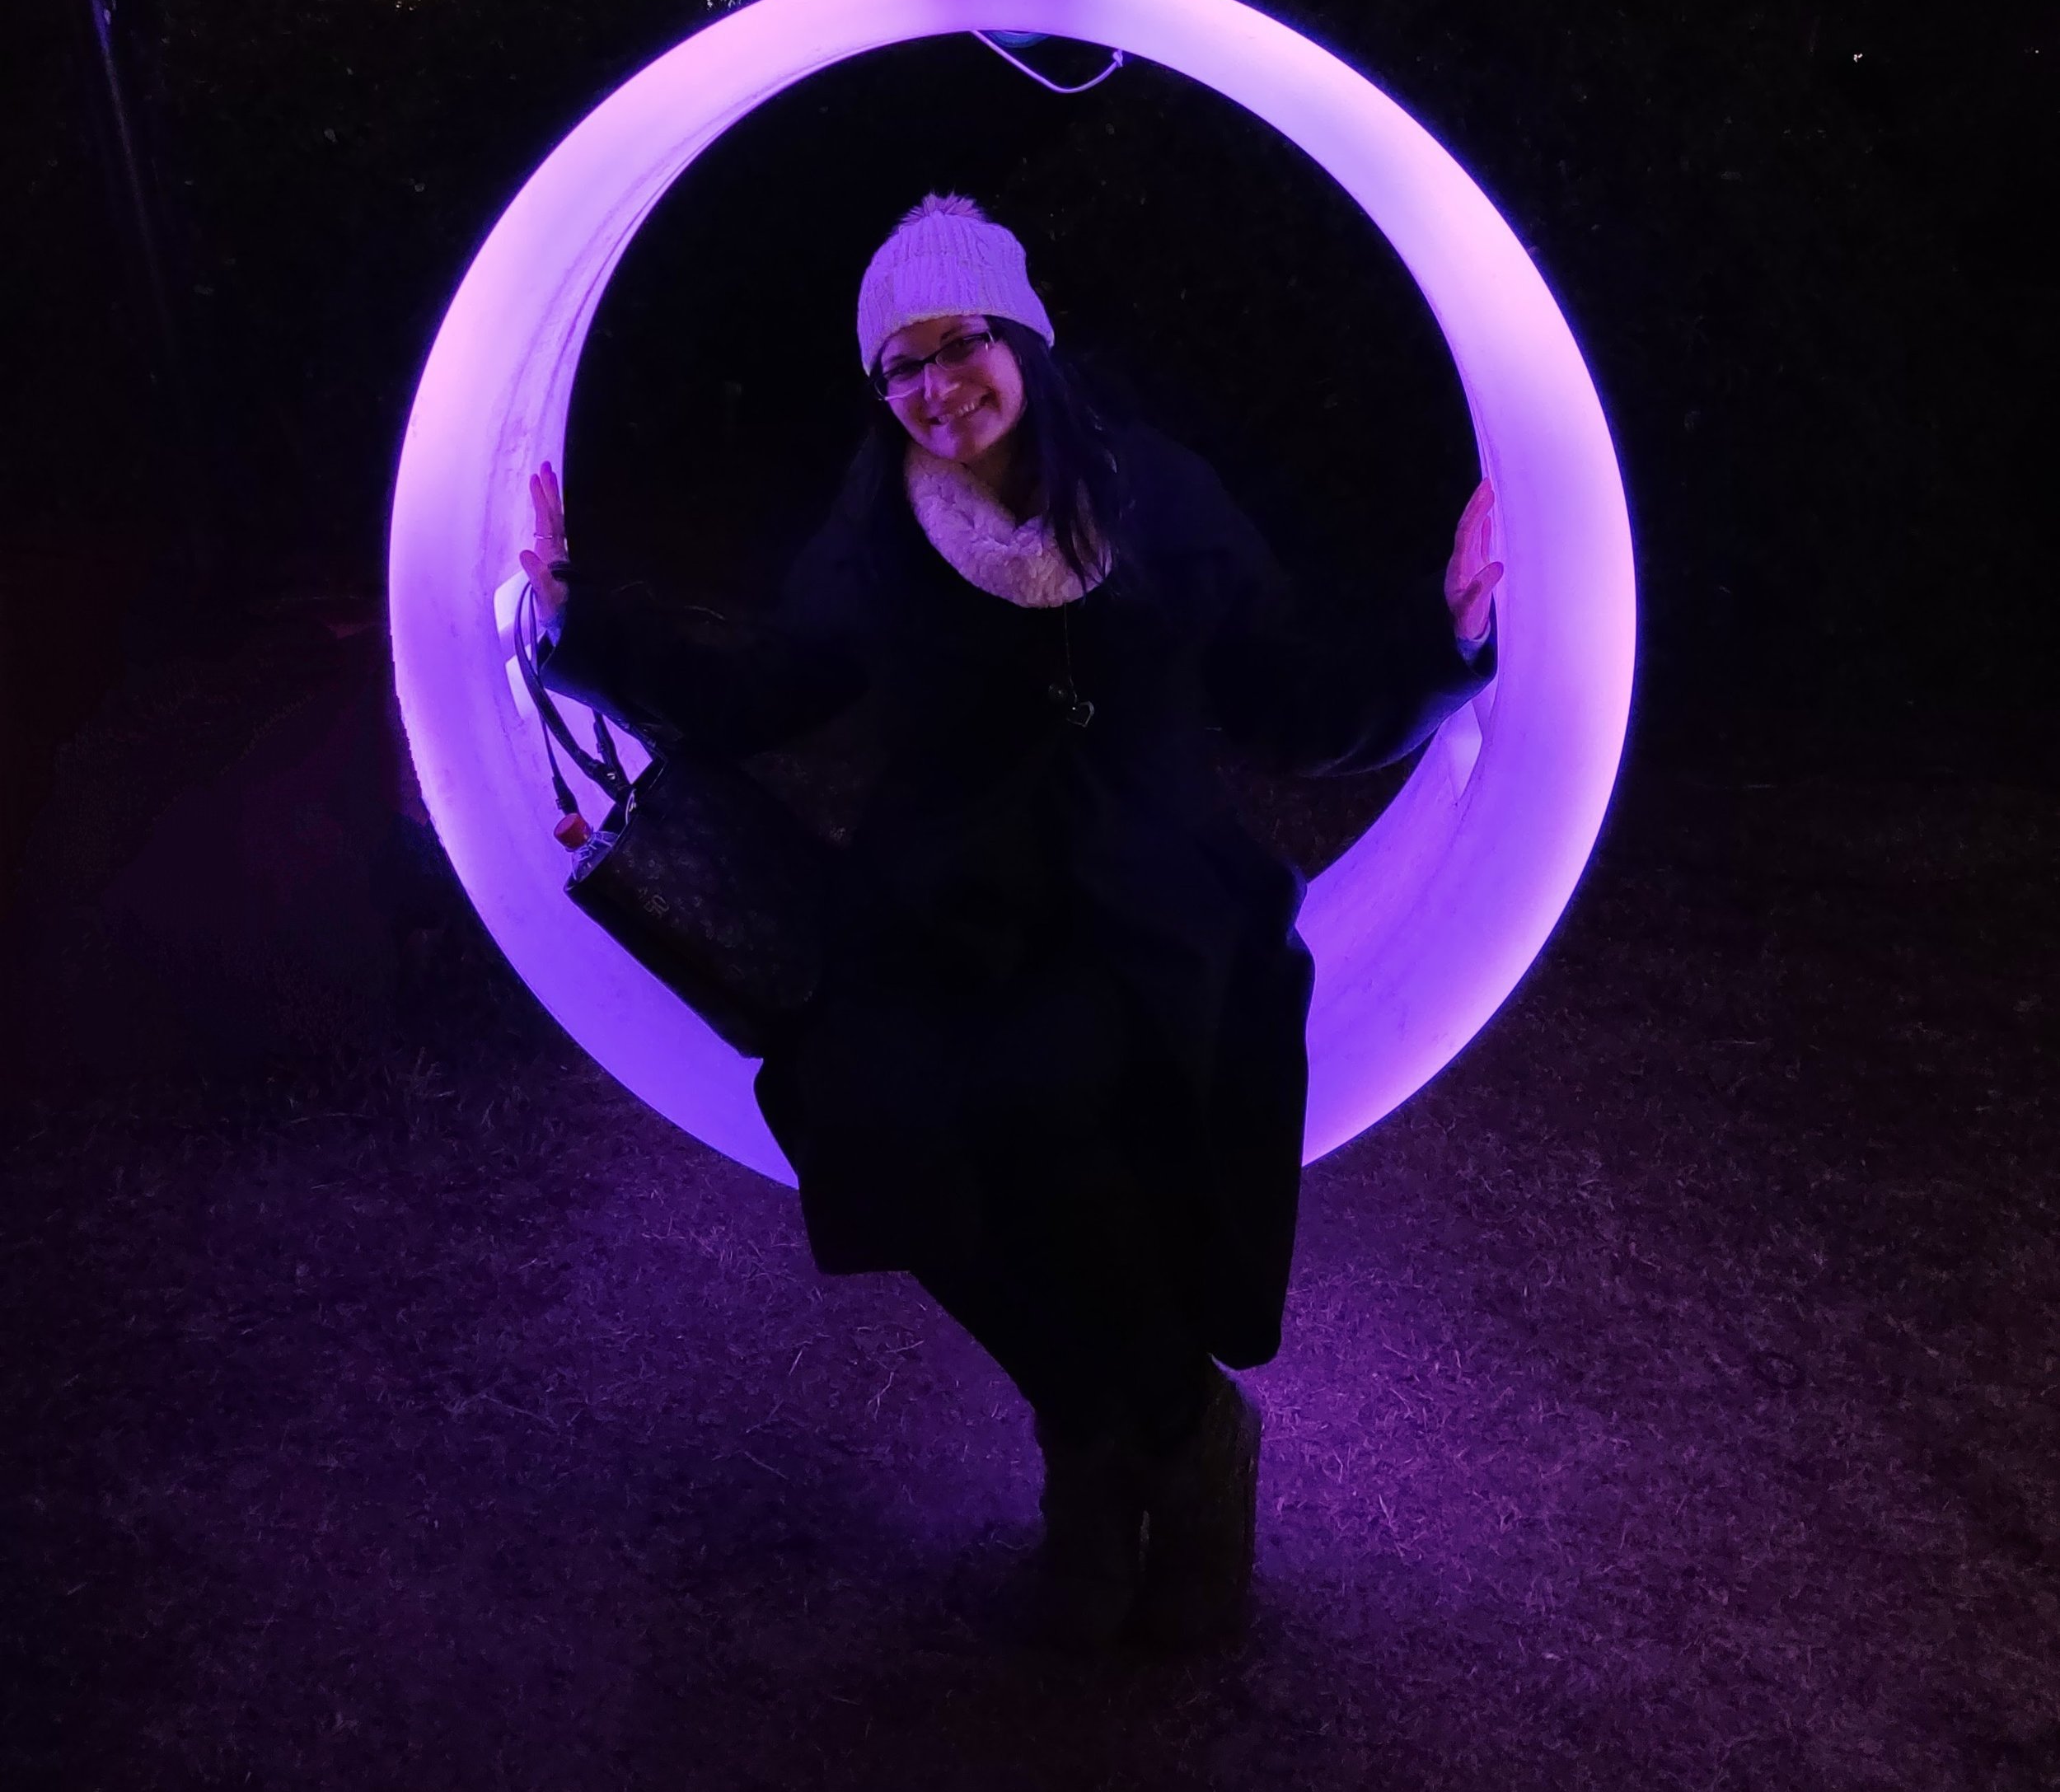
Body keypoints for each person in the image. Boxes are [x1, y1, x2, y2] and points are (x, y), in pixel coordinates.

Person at [520, 192, 1500, 1653]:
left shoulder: (1156, 496)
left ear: (1022, 336)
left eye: (958, 340)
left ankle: (1139, 1438)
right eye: (898, 365)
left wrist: (1449, 637)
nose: (934, 383)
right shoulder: (874, 525)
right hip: (947, 907)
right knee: (867, 1111)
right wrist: (574, 621)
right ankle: (1132, 1425)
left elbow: (1286, 695)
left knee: (1065, 1119)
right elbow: (764, 691)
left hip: (1155, 903)